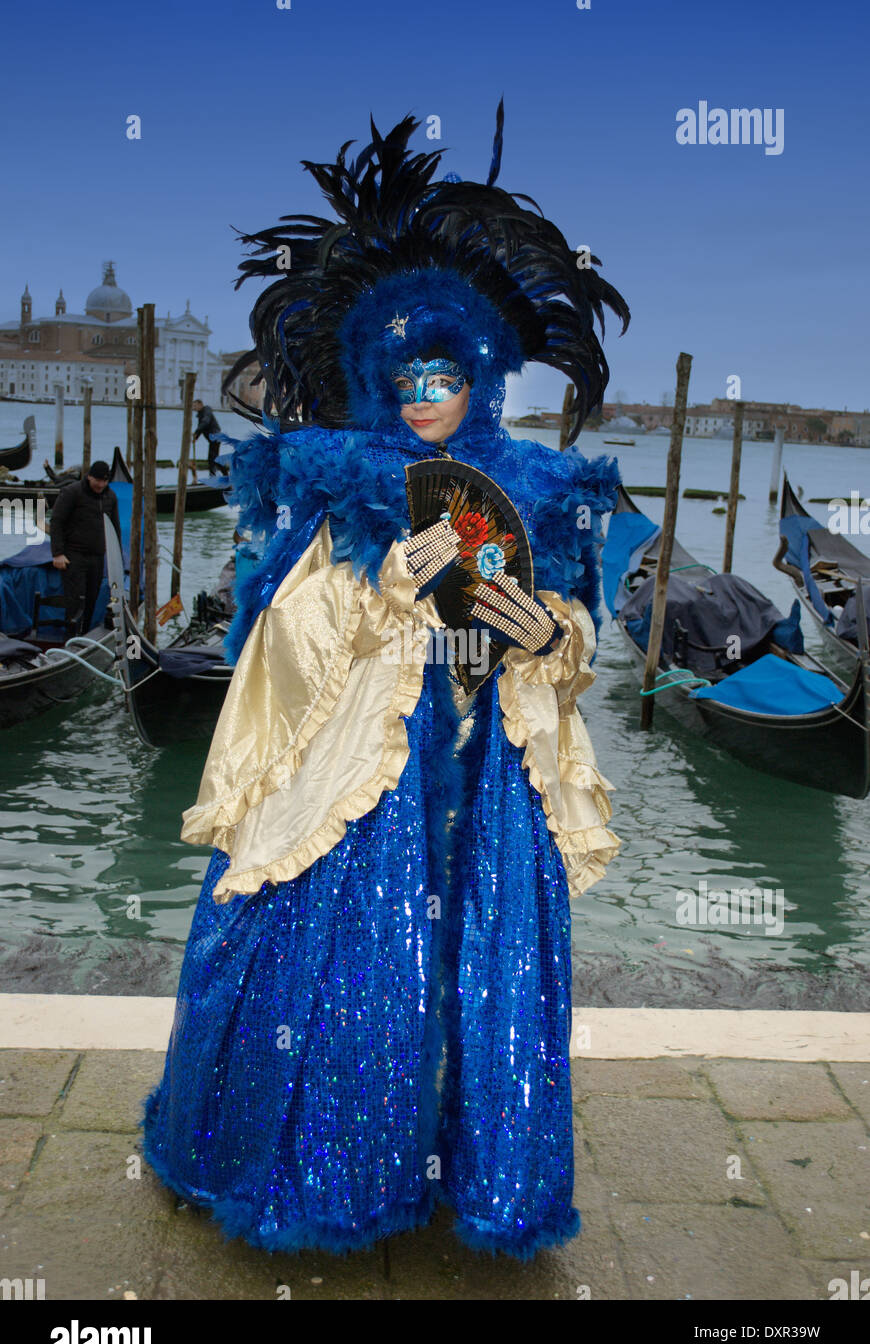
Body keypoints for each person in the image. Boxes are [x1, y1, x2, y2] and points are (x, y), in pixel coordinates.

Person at [142, 106, 630, 1259]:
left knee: (481, 959)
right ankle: (328, 1171)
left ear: (480, 382)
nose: (424, 401)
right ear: (375, 380)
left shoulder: (539, 493)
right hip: (368, 769)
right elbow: (282, 639)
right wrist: (385, 582)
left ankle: (479, 1175)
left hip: (487, 770)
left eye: (444, 379)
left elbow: (573, 646)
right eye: (404, 380)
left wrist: (536, 625)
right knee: (349, 960)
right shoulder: (337, 490)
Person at [49, 460, 121, 637]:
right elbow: (56, 522)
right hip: (73, 555)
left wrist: (117, 557)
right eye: (97, 480)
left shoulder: (110, 497)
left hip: (97, 557)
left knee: (91, 600)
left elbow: (115, 529)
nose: (101, 485)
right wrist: (57, 553)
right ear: (89, 477)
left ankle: (83, 637)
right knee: (75, 601)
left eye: (104, 481)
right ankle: (70, 638)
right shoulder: (72, 492)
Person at [192, 399, 228, 476]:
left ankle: (217, 476)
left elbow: (205, 422)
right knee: (213, 458)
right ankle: (218, 475)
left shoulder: (206, 411)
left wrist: (196, 432)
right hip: (213, 439)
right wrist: (196, 437)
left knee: (213, 458)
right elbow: (201, 427)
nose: (193, 408)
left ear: (200, 404)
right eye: (193, 406)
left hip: (215, 437)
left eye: (195, 406)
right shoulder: (201, 414)